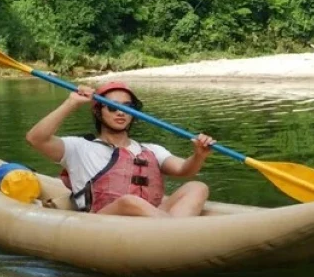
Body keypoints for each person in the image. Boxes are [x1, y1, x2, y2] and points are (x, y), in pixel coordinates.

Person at [25, 81, 216, 218]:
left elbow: (185, 169)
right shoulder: (79, 148)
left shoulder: (150, 150)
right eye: (112, 107)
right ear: (98, 111)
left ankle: (174, 235)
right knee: (130, 201)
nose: (120, 112)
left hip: (152, 222)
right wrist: (72, 102)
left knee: (197, 187)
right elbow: (36, 138)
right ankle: (179, 235)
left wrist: (199, 155)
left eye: (127, 107)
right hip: (104, 223)